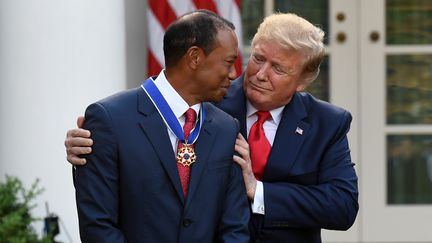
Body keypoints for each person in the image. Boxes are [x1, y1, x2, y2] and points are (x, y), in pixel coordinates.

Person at [66, 13, 358, 243]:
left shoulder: (327, 123)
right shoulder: (207, 100)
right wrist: (92, 141)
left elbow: (342, 206)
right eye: (257, 59)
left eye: (278, 69)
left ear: (304, 80)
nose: (259, 74)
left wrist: (258, 191)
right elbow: (139, 128)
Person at [71, 10, 250, 243]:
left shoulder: (227, 128)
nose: (235, 74)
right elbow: (98, 225)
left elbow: (235, 228)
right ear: (194, 57)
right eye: (228, 62)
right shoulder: (109, 120)